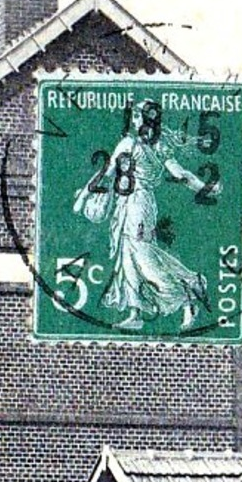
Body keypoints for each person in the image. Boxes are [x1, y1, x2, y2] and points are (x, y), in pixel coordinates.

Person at [73, 97, 220, 332]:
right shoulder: (128, 143)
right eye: (134, 115)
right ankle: (136, 312)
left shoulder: (157, 145)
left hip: (141, 204)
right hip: (125, 205)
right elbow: (107, 172)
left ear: (148, 118)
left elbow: (180, 173)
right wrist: (83, 196)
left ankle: (185, 298)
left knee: (142, 255)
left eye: (139, 115)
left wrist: (204, 186)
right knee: (128, 255)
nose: (135, 119)